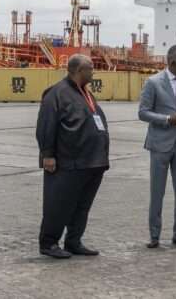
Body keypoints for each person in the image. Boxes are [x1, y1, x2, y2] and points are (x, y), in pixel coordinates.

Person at [35, 54, 109, 259]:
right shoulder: (56, 94)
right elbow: (45, 126)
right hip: (68, 162)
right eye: (91, 68)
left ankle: (73, 241)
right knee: (58, 204)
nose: (93, 72)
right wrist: (47, 155)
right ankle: (49, 243)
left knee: (81, 206)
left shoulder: (85, 94)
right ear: (78, 71)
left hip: (92, 162)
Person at [138, 43, 176, 249]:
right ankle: (154, 235)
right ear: (173, 62)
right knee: (157, 192)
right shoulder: (153, 83)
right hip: (160, 145)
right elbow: (143, 112)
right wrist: (168, 119)